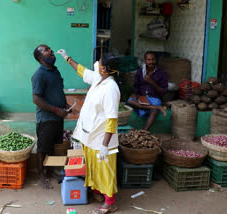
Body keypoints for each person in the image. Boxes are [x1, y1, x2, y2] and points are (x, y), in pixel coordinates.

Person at [57, 49, 120, 214]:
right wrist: (67, 58)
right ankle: (99, 192)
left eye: (99, 61)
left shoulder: (111, 88)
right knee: (94, 167)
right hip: (90, 137)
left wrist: (105, 145)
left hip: (102, 139)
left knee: (105, 170)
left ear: (104, 68)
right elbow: (82, 71)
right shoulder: (99, 78)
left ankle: (110, 203)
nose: (97, 63)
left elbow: (112, 119)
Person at [31, 44, 70, 189]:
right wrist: (55, 110)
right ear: (41, 58)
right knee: (43, 148)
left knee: (54, 146)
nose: (51, 51)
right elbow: (36, 99)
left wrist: (64, 104)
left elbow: (59, 89)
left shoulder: (55, 71)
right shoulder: (39, 75)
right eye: (47, 51)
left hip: (57, 117)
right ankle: (41, 175)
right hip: (46, 118)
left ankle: (50, 170)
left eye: (50, 49)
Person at [127, 51, 168, 130]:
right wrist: (135, 94)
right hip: (142, 97)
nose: (151, 62)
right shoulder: (140, 72)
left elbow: (163, 91)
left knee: (154, 111)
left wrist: (151, 82)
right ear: (145, 60)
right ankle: (159, 107)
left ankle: (143, 132)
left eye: (153, 59)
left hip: (154, 99)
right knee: (130, 100)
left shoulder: (161, 73)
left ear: (156, 60)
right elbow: (136, 86)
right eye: (149, 60)